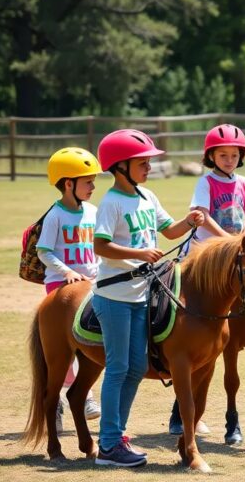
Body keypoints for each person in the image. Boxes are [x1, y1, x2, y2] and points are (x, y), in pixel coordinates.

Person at [92, 129, 204, 467]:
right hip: (114, 296)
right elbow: (100, 246)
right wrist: (139, 253)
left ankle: (117, 436)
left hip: (141, 294)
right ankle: (109, 445)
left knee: (138, 366)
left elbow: (169, 231)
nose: (149, 167)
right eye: (143, 162)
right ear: (120, 166)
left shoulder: (147, 196)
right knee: (118, 368)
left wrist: (190, 221)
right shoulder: (110, 202)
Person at [168, 123, 245, 436]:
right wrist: (227, 239)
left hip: (235, 255)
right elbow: (202, 214)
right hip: (205, 257)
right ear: (211, 156)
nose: (229, 159)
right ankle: (180, 412)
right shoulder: (206, 182)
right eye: (222, 155)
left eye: (234, 155)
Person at [38, 147, 103, 432]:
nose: (92, 186)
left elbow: (98, 246)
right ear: (68, 184)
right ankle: (83, 396)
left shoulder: (93, 211)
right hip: (61, 285)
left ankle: (79, 391)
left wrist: (101, 269)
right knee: (65, 346)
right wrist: (67, 271)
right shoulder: (55, 215)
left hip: (93, 283)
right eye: (87, 181)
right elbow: (44, 251)